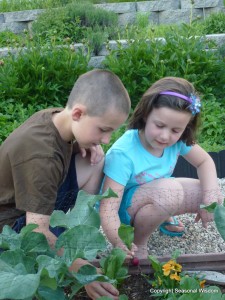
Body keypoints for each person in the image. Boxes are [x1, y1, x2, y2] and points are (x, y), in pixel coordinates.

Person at [0, 69, 131, 300]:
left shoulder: (58, 119)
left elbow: (72, 143)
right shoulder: (42, 156)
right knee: (44, 242)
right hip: (10, 227)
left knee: (94, 159)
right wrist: (81, 269)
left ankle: (74, 235)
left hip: (31, 203)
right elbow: (37, 233)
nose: (107, 140)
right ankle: (68, 245)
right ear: (78, 113)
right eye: (103, 130)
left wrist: (85, 142)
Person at [99, 76, 223, 260]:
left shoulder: (177, 141)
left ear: (185, 128)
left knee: (211, 193)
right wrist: (119, 241)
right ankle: (139, 242)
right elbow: (107, 207)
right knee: (170, 191)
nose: (165, 136)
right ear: (146, 114)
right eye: (159, 125)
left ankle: (162, 216)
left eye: (175, 130)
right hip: (124, 210)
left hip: (156, 193)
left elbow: (204, 162)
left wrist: (210, 198)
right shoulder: (123, 153)